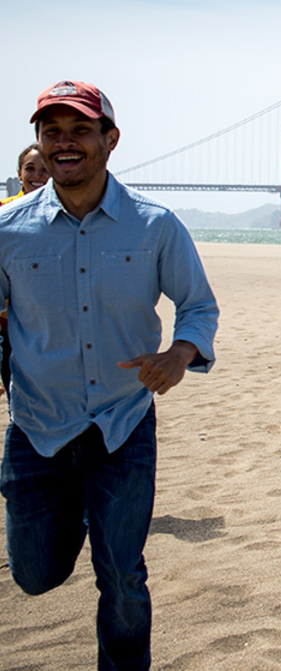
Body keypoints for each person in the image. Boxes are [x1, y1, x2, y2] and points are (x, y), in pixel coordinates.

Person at [0, 80, 219, 669]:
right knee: (36, 574)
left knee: (123, 575)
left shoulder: (154, 225)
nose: (64, 143)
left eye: (80, 131)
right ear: (39, 144)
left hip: (123, 426)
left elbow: (198, 306)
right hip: (39, 429)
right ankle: (70, 511)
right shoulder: (7, 229)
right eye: (52, 132)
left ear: (110, 139)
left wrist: (180, 355)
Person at [1, 144, 51, 395]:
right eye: (30, 169)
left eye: (44, 169)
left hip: (55, 327)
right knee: (19, 406)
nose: (37, 176)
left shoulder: (73, 214)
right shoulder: (3, 212)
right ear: (19, 174)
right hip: (10, 329)